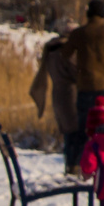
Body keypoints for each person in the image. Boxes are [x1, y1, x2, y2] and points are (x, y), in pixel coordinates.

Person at [64, 0, 104, 176]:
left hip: (85, 85)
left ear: (88, 14)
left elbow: (65, 53)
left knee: (84, 127)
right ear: (103, 13)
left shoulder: (78, 33)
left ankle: (81, 166)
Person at [30, 23, 79, 172]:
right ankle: (73, 169)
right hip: (71, 95)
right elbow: (76, 73)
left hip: (57, 95)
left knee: (68, 134)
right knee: (75, 134)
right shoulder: (67, 51)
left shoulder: (50, 50)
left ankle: (70, 166)